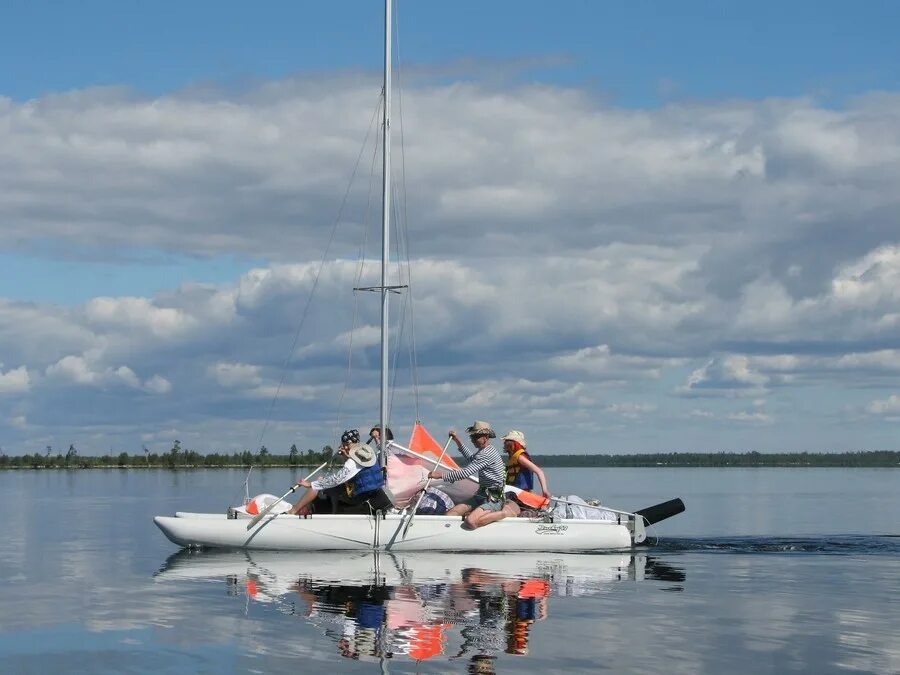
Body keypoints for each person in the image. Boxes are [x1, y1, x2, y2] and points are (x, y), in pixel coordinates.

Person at [287, 429, 392, 515]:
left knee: (318, 486)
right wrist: (345, 456)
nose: (345, 447)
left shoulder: (353, 461)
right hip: (370, 494)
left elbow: (338, 479)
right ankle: (333, 513)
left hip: (361, 498)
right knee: (329, 485)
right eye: (344, 444)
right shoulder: (368, 454)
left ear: (355, 443)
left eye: (347, 444)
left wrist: (310, 484)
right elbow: (354, 470)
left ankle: (294, 510)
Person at [428, 421, 505, 528]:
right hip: (482, 495)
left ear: (486, 437)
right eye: (472, 437)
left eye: (476, 437)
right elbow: (471, 458)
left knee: (471, 522)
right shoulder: (483, 451)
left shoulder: (487, 453)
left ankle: (502, 514)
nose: (473, 440)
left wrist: (440, 475)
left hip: (494, 499)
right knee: (451, 513)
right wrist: (457, 440)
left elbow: (465, 473)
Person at [471, 429, 550, 527]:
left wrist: (545, 490)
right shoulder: (513, 457)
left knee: (505, 508)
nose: (504, 444)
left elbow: (539, 471)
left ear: (512, 443)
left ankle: (478, 522)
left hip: (519, 495)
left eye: (506, 442)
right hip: (511, 494)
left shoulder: (520, 457)